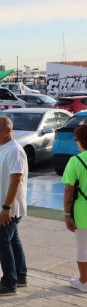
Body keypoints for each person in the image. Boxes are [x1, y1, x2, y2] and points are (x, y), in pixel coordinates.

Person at [0, 116, 29, 296]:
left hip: (9, 209)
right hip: (2, 207)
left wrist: (5, 208)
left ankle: (8, 283)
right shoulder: (2, 149)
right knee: (12, 240)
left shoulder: (14, 151)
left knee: (1, 241)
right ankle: (20, 276)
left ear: (8, 130)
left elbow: (16, 180)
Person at [62, 124, 87, 292]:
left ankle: (84, 281)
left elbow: (69, 190)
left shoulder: (75, 161)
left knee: (83, 247)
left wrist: (66, 214)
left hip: (82, 211)